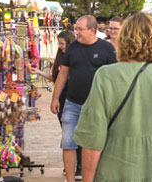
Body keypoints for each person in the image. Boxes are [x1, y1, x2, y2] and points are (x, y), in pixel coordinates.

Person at [73, 13, 152, 181]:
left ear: (123, 40)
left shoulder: (106, 76)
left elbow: (92, 138)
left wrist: (88, 179)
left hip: (118, 172)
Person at [52, 15, 117, 182]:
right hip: (73, 102)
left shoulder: (106, 49)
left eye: (80, 29)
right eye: (76, 29)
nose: (77, 32)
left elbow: (114, 77)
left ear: (92, 30)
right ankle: (71, 179)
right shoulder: (72, 47)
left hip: (98, 105)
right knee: (68, 143)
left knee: (97, 143)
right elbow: (63, 74)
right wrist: (55, 98)